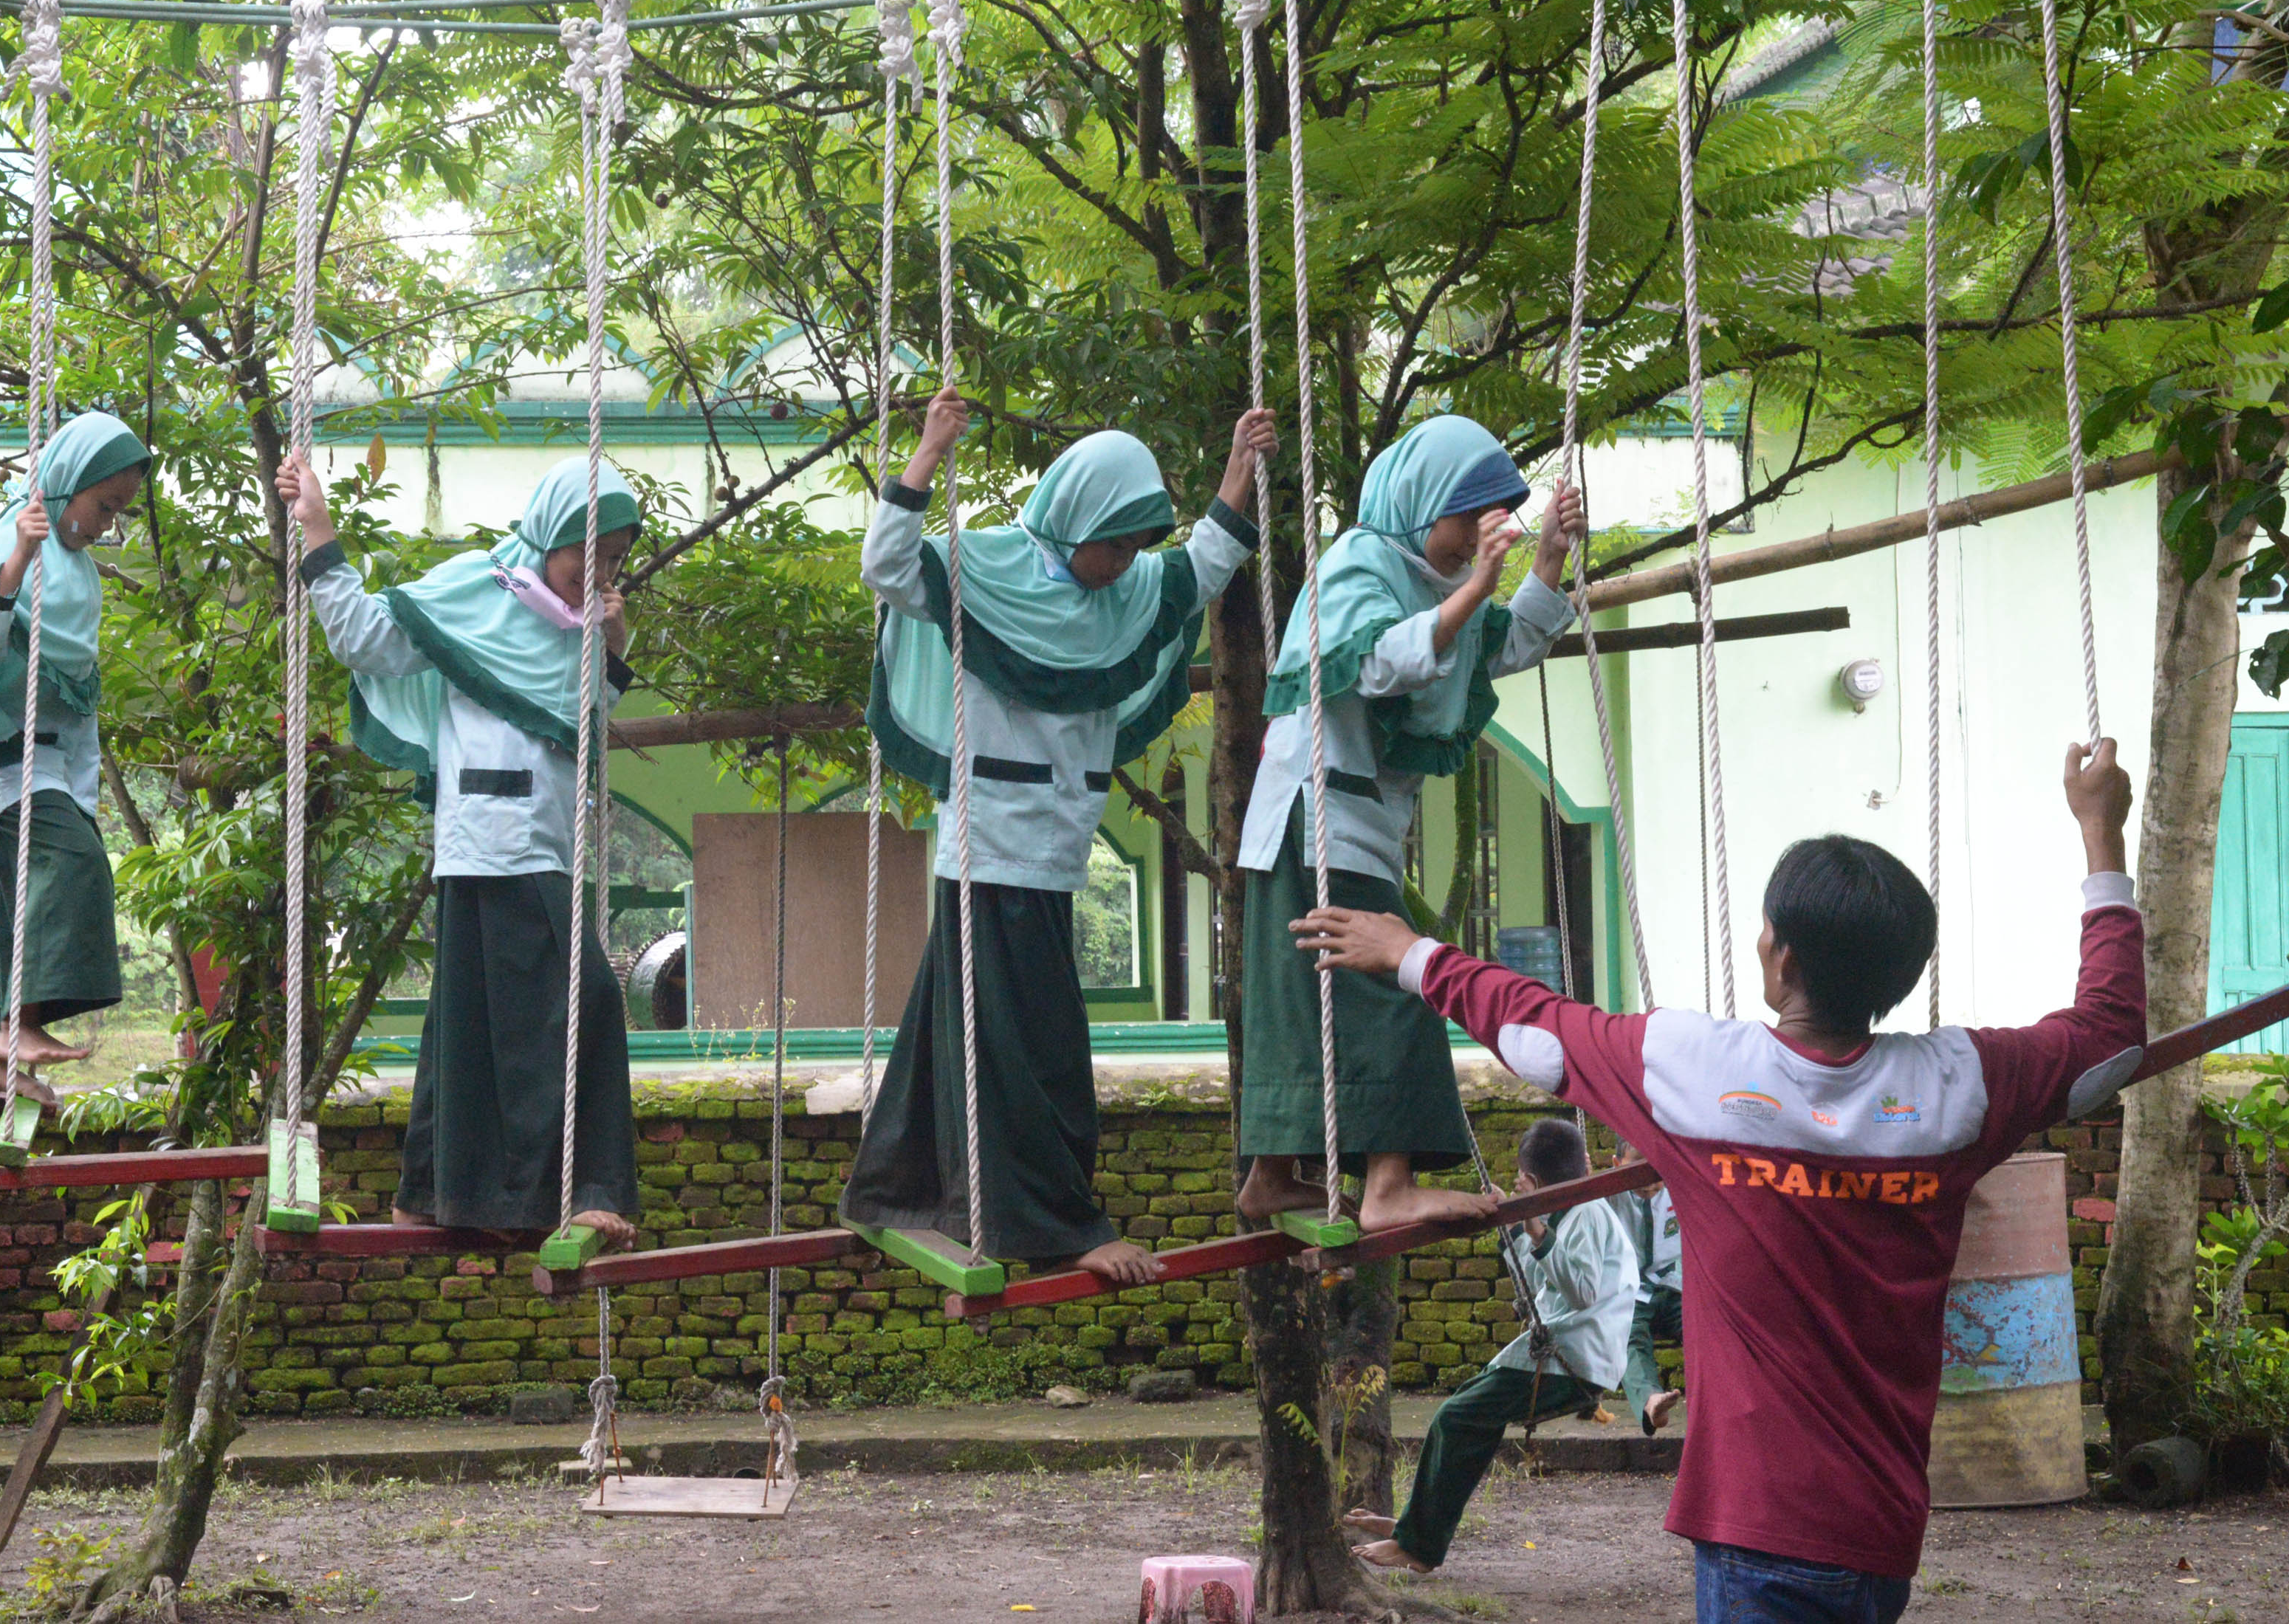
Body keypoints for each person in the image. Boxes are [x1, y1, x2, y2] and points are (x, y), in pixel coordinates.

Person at [1297, 742, 2144, 1623]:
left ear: (1779, 961)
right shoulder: (1957, 1085)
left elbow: (1535, 1027)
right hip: (1882, 1528)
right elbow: (2111, 1035)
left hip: (1761, 1530)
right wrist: (2099, 832)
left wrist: (1410, 954)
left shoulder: (1693, 1071)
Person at [845, 391, 1272, 1287]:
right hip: (991, 842)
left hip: (1052, 855)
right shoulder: (984, 571)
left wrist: (1238, 470)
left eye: (1130, 546)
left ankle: (901, 1186)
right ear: (1071, 519)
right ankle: (1052, 1221)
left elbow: (1199, 567)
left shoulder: (1122, 597)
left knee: (966, 1030)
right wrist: (926, 454)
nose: (1121, 564)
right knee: (1033, 1047)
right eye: (1111, 543)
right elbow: (886, 567)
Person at [281, 453, 640, 1254]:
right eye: (593, 553)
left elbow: (577, 712)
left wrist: (614, 643)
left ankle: (435, 1194)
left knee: (469, 1032)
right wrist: (319, 531)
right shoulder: (479, 590)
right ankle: (585, 1191)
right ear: (552, 532)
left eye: (618, 560)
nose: (604, 572)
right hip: (498, 844)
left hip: (532, 845)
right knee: (590, 1003)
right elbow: (365, 638)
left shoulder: (567, 625)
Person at [1235, 414, 1585, 1232]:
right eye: (1464, 519)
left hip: (1349, 826)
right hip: (1313, 818)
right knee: (1395, 985)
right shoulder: (1357, 562)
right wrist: (1472, 590)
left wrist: (1544, 564)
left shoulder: (1432, 589)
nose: (1470, 539)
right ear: (1423, 502)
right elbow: (1378, 662)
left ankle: (1269, 1178)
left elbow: (1501, 646)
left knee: (1307, 998)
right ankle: (1387, 1189)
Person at [0, 411, 152, 1103]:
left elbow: (80, 706)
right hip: (2, 758)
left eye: (119, 513)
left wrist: (86, 800)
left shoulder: (84, 579)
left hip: (54, 764)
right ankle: (18, 1025)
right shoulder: (20, 531)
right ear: (68, 486)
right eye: (103, 507)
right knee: (72, 864)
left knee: (18, 902)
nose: (105, 525)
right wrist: (18, 560)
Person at [1346, 1116, 1638, 1573]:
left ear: (1535, 1181)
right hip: (1563, 1351)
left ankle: (1419, 1548)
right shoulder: (1571, 1207)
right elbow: (1534, 1277)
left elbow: (1583, 1291)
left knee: (1456, 1418)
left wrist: (1535, 1228)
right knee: (1462, 1414)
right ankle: (1413, 1526)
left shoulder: (1587, 1214)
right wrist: (1517, 1222)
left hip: (1577, 1360)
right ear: (1582, 1162)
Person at [1620, 1156, 1686, 1436]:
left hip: (1674, 1286)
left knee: (1706, 1329)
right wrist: (1581, 1179)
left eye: (1654, 1169)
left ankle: (1720, 1398)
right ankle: (1651, 1400)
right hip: (1630, 1293)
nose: (1648, 1180)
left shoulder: (1682, 1188)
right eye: (1637, 1166)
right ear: (1617, 1164)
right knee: (1626, 1337)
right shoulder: (1605, 1197)